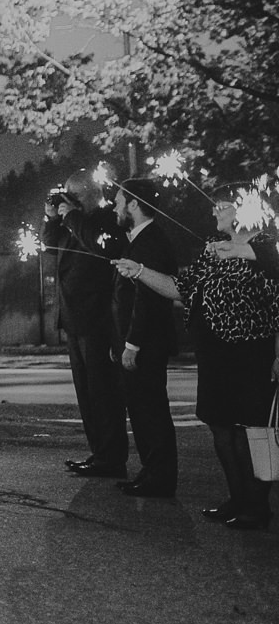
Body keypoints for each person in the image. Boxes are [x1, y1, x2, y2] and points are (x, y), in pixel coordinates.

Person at [117, 190, 273, 522]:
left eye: (225, 204)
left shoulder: (268, 247)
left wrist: (240, 250)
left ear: (248, 209)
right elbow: (181, 288)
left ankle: (258, 507)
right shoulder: (213, 247)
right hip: (214, 353)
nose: (215, 209)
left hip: (251, 354)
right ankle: (238, 499)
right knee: (220, 426)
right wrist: (140, 270)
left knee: (251, 430)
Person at [45, 172, 130, 479]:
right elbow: (50, 245)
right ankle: (99, 453)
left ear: (86, 195)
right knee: (87, 394)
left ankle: (112, 456)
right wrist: (52, 217)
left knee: (103, 392)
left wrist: (73, 216)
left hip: (96, 319)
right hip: (73, 318)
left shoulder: (105, 219)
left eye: (72, 195)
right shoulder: (73, 221)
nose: (67, 199)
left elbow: (100, 246)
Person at [108, 179, 181, 498]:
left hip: (146, 343)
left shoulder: (150, 242)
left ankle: (160, 476)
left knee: (150, 408)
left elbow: (147, 300)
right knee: (140, 408)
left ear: (134, 205)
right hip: (137, 340)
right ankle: (151, 471)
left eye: (119, 201)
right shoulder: (138, 240)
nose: (114, 206)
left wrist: (131, 344)